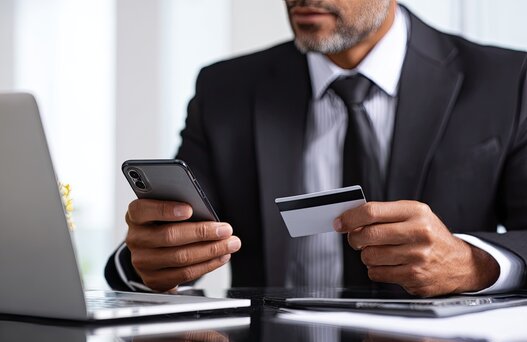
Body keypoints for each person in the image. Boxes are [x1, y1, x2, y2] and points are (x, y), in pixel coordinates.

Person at [105, 0, 527, 297]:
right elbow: (184, 235)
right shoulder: (225, 91)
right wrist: (149, 261)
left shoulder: (507, 81)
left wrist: (474, 263)